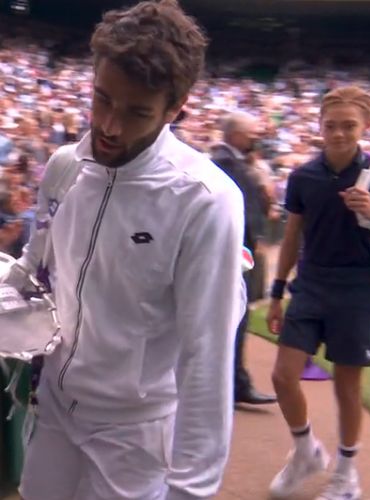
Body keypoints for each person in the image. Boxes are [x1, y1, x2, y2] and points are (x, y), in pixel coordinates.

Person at [1, 2, 246, 499]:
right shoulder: (64, 166)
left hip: (135, 433)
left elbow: (206, 353)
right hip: (54, 406)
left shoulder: (206, 201)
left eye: (137, 112)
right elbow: (33, 271)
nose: (110, 126)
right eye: (102, 99)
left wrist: (191, 490)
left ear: (175, 109)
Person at [266, 86, 370, 500]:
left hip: (359, 289)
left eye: (349, 125)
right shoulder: (302, 176)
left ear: (366, 126)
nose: (339, 133)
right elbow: (292, 236)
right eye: (331, 125)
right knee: (283, 376)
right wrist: (277, 292)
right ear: (319, 126)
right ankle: (306, 451)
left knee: (347, 385)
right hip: (310, 284)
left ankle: (346, 473)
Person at [211, 111, 277, 405]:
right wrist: (256, 241)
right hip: (236, 253)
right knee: (235, 316)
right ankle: (234, 384)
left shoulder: (236, 162)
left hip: (233, 251)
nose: (256, 138)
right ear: (236, 135)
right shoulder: (228, 164)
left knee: (231, 316)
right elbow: (244, 213)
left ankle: (233, 382)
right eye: (251, 133)